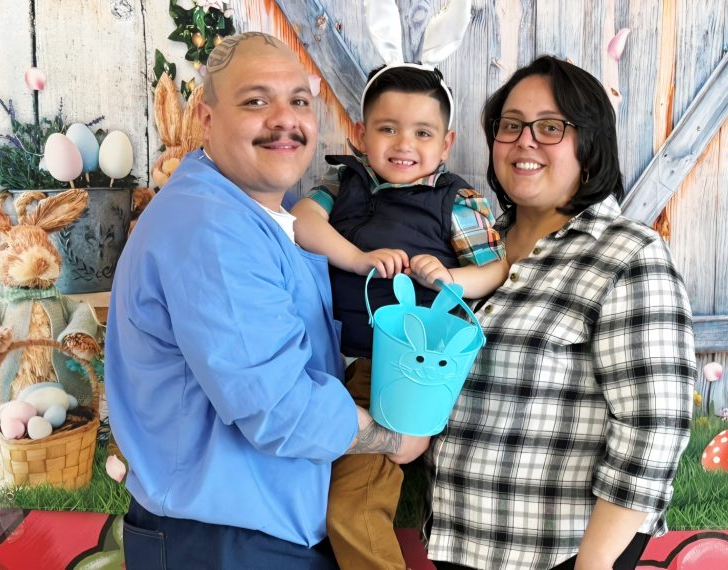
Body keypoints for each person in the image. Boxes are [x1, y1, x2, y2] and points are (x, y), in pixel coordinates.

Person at [104, 32, 427, 569]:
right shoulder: (212, 228)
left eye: (299, 101)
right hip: (222, 544)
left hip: (250, 536)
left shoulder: (270, 215)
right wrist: (393, 439)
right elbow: (280, 409)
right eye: (256, 101)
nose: (284, 118)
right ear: (206, 120)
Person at [425, 56, 697, 570]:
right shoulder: (471, 249)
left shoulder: (625, 253)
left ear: (590, 146)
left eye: (550, 127)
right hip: (459, 543)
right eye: (510, 126)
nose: (524, 140)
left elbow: (653, 427)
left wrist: (593, 566)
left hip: (562, 555)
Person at [290, 64, 508, 570]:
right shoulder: (343, 181)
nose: (403, 143)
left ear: (447, 142)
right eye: (387, 128)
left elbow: (496, 271)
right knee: (301, 492)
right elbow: (301, 221)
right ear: (362, 134)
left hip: (393, 371)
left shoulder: (456, 201)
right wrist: (358, 258)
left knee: (354, 505)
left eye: (423, 132)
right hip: (323, 362)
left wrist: (450, 280)